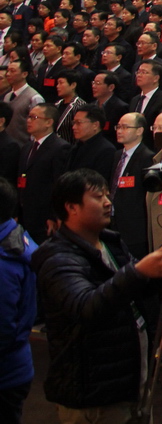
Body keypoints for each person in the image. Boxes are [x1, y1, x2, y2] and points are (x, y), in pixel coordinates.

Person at [31, 169, 162, 422]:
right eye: (97, 196)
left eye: (106, 194)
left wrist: (158, 272)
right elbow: (86, 306)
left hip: (128, 384)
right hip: (94, 396)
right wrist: (138, 272)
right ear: (72, 207)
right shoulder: (59, 258)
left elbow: (131, 289)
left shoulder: (110, 242)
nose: (107, 202)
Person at [0, 177, 35, 424]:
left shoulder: (4, 260)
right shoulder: (15, 236)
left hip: (5, 374)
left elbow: (3, 328)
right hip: (15, 367)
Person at [17, 102, 70, 244]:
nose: (29, 121)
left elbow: (59, 185)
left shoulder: (60, 148)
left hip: (43, 218)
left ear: (49, 122)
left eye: (34, 117)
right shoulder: (27, 147)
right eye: (28, 117)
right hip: (24, 214)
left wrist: (53, 216)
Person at [109, 112, 154, 260]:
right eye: (118, 127)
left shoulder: (147, 158)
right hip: (114, 223)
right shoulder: (117, 155)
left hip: (134, 229)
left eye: (125, 127)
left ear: (139, 130)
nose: (119, 131)